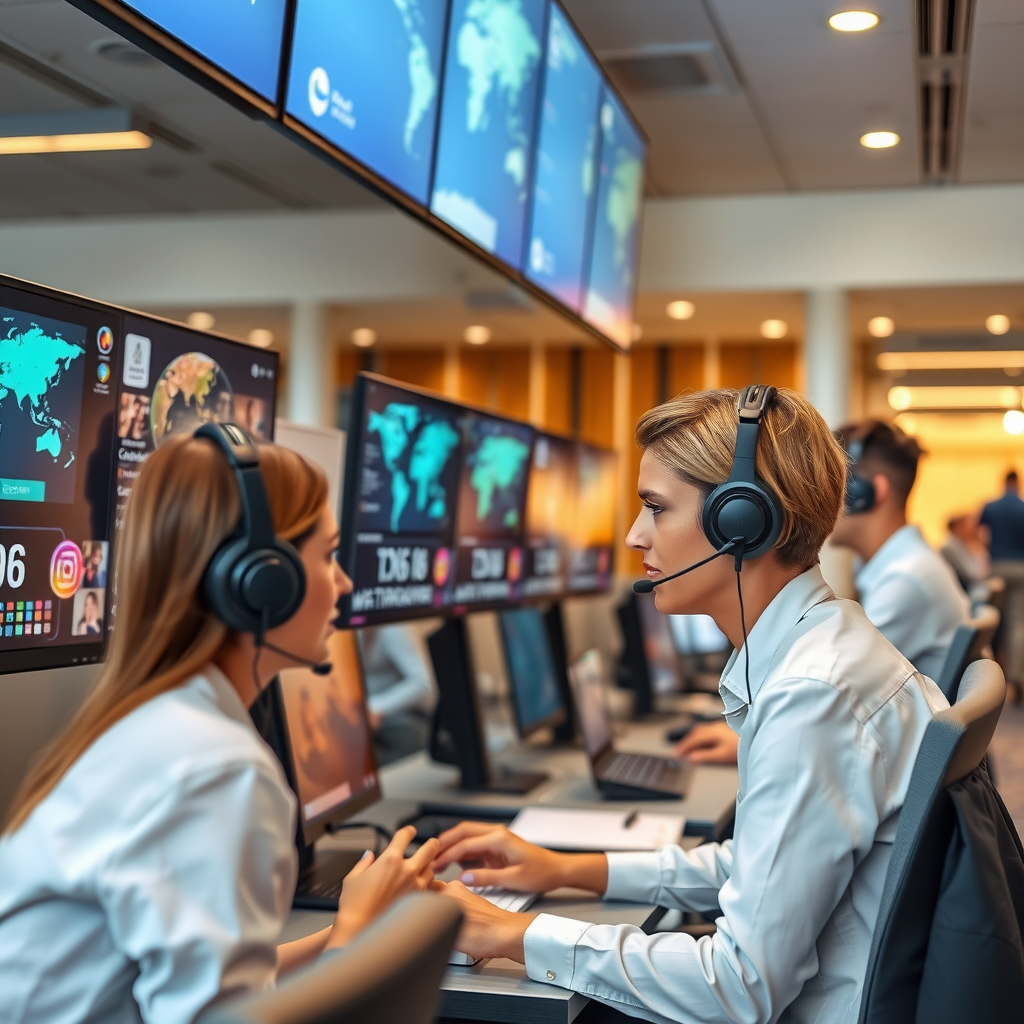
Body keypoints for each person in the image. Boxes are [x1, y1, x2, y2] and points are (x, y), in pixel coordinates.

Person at [432, 387, 945, 1024]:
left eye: (655, 508)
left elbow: (739, 985)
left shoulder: (812, 694)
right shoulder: (827, 647)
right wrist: (566, 869)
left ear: (742, 522)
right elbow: (759, 862)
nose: (633, 535)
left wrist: (515, 933)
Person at [0, 430, 439, 1023]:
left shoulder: (158, 722)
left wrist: (352, 928)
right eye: (328, 556)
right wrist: (356, 935)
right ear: (263, 580)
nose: (345, 584)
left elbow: (216, 981)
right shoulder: (218, 771)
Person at [674, 418, 969, 766]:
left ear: (868, 493)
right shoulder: (897, 565)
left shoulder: (905, 580)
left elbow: (835, 683)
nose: (819, 500)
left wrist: (749, 738)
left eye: (835, 485)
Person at [357, 623, 437, 765]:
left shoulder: (391, 627)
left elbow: (424, 683)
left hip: (401, 718)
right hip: (360, 721)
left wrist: (376, 707)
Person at [981, 470, 1024, 694]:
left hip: (997, 566)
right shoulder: (1022, 507)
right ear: (1017, 483)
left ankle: (988, 678)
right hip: (1020, 568)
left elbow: (981, 535)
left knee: (992, 620)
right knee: (1017, 624)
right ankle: (1014, 680)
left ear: (1004, 482)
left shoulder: (991, 507)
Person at [941, 512, 991, 593]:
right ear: (958, 527)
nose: (975, 529)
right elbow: (974, 575)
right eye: (971, 525)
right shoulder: (950, 547)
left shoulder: (962, 544)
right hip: (964, 590)